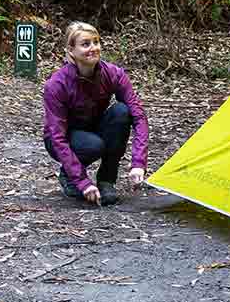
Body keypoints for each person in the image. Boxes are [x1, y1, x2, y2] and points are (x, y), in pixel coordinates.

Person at [42, 22, 150, 206]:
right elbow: (57, 137)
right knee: (94, 145)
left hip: (94, 126)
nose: (93, 48)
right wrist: (83, 182)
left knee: (121, 112)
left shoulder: (113, 74)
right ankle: (70, 176)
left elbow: (138, 115)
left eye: (96, 42)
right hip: (63, 138)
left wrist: (138, 162)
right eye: (85, 44)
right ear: (71, 50)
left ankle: (107, 180)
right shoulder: (57, 84)